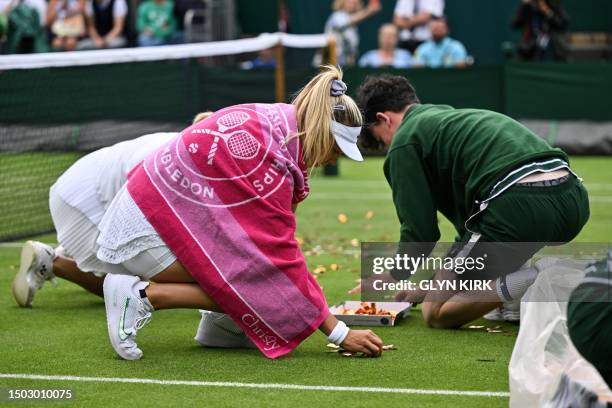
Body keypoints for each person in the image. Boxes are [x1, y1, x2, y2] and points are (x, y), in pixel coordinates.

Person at [354, 74, 590, 330]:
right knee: (468, 274)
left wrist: (391, 276)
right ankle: (516, 293)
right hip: (572, 199)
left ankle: (537, 275)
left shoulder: (405, 141)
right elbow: (472, 231)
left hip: (518, 206)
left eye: (379, 140)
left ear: (384, 119)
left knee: (436, 313)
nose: (386, 146)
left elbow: (420, 232)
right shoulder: (450, 120)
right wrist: (431, 285)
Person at [12, 130, 186, 307]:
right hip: (83, 202)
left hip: (83, 180)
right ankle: (51, 262)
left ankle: (70, 251)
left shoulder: (181, 142)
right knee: (129, 292)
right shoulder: (172, 157)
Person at [319, 0, 381, 66]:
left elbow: (352, 49)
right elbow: (349, 20)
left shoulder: (354, 27)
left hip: (344, 66)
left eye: (355, 3)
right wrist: (369, 10)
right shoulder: (336, 16)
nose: (352, 4)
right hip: (328, 63)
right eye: (349, 1)